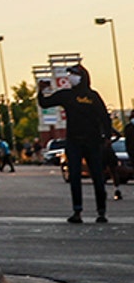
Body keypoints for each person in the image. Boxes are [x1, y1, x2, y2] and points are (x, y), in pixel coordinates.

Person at [38, 64, 119, 223]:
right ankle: (77, 211)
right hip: (74, 142)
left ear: (82, 76)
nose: (70, 77)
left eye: (73, 74)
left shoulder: (93, 96)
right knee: (74, 176)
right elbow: (45, 103)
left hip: (93, 142)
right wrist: (41, 91)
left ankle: (101, 212)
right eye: (69, 74)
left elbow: (104, 116)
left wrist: (107, 137)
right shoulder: (67, 95)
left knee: (97, 176)